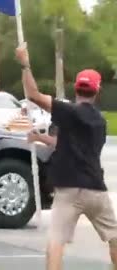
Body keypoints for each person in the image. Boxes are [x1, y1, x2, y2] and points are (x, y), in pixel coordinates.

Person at [15, 42, 117, 270]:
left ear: (77, 89)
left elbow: (33, 94)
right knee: (114, 237)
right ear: (98, 91)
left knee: (56, 242)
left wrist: (25, 64)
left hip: (68, 189)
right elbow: (66, 142)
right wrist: (41, 138)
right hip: (94, 188)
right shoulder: (100, 122)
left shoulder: (67, 111)